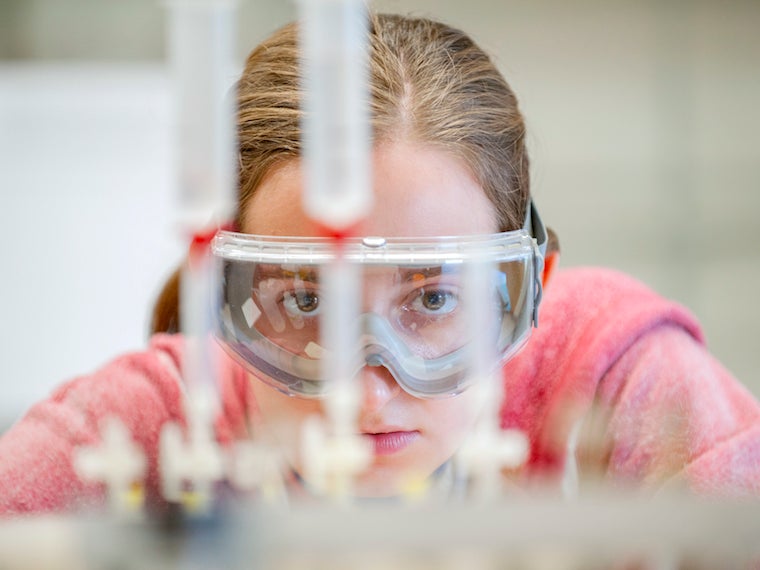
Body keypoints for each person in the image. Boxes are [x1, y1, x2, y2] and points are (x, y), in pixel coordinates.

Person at [1, 12, 759, 515]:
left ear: (527, 299)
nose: (365, 391)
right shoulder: (158, 420)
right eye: (304, 304)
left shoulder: (612, 377)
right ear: (224, 305)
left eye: (431, 300)